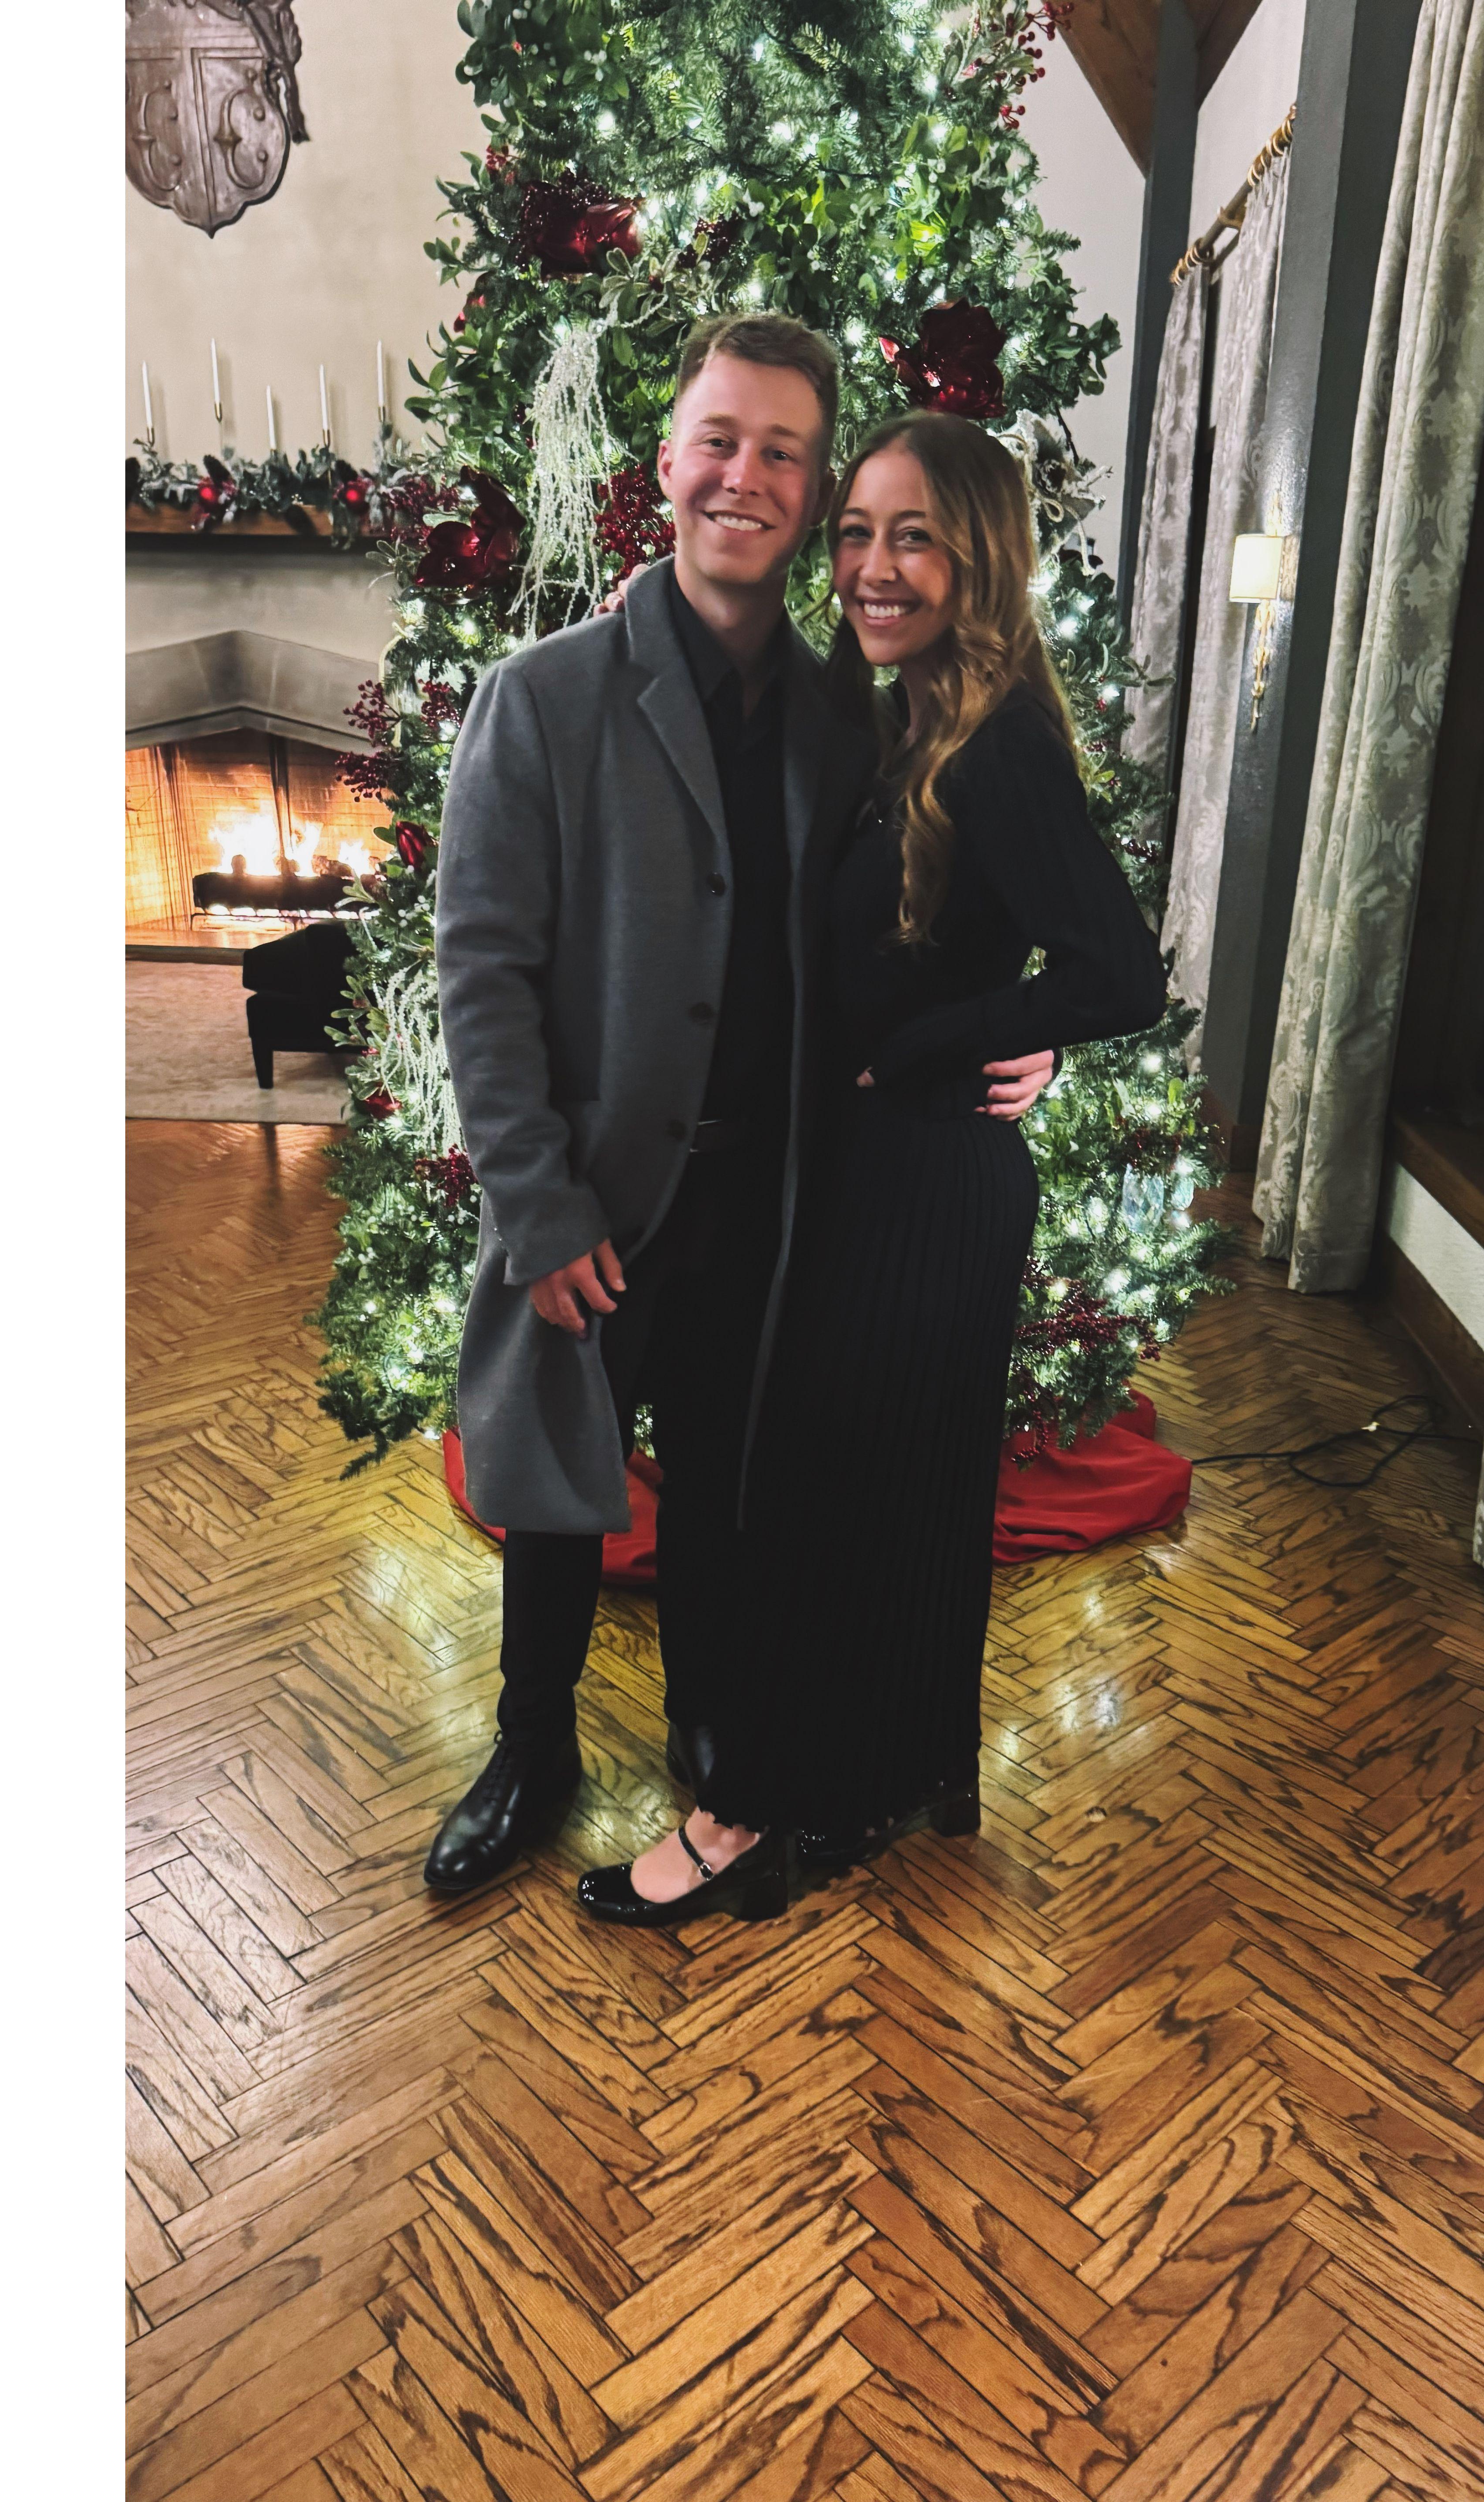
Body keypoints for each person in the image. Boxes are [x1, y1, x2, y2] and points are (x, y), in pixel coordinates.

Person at [427, 319, 1054, 1902]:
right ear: (667, 461)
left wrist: (1023, 1037)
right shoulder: (543, 697)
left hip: (783, 1206)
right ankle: (531, 1748)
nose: (745, 477)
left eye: (784, 453)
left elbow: (937, 925)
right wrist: (536, 1206)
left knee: (730, 1489)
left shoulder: (861, 718)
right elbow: (483, 973)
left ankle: (714, 1729)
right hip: (595, 1201)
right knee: (558, 1493)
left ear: (815, 493)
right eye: (720, 440)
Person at [591, 407, 1166, 1901]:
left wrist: (940, 1046)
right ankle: (870, 1787)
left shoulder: (1002, 742)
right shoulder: (895, 714)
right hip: (874, 1173)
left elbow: (1119, 973)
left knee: (838, 1501)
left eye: (915, 537)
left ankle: (755, 1824)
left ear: (981, 556)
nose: (872, 567)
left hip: (923, 1183)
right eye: (855, 534)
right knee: (883, 1500)